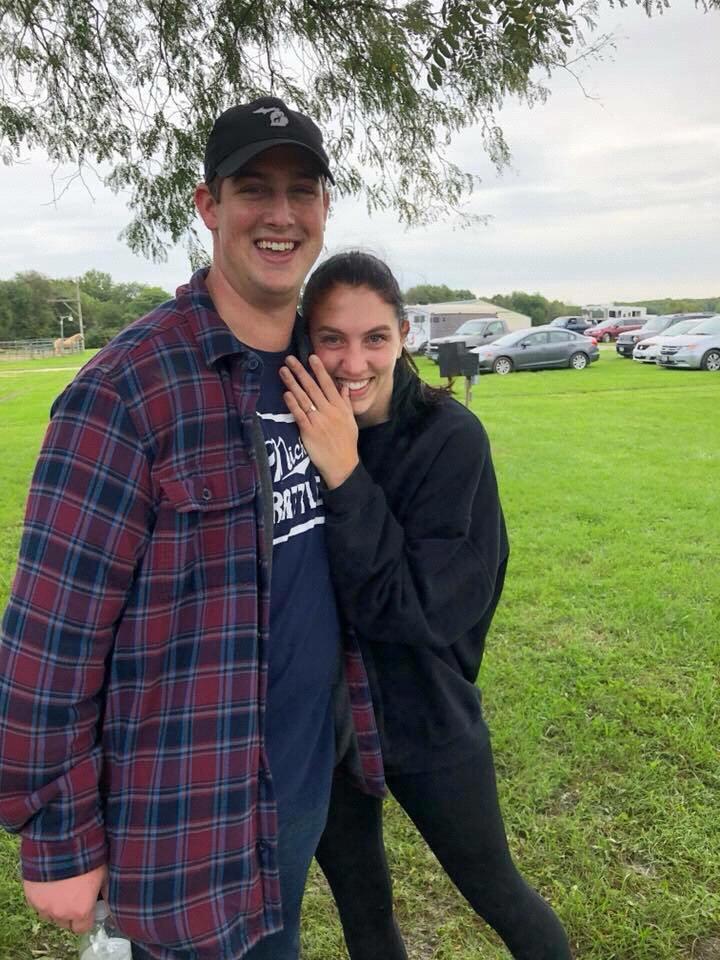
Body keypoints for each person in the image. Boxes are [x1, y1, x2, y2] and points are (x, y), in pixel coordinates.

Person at [0, 100, 384, 960]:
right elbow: (47, 640)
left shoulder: (315, 381)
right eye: (254, 189)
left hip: (297, 787)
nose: (281, 214)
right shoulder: (126, 392)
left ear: (324, 209)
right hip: (189, 817)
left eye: (301, 190)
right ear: (209, 206)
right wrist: (57, 839)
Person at [279, 251, 572, 959]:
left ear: (403, 334)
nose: (354, 362)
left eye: (374, 337)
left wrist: (345, 471)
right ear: (305, 340)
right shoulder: (291, 431)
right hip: (326, 718)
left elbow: (419, 607)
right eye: (332, 339)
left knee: (497, 891)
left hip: (425, 709)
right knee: (364, 913)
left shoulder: (449, 439)